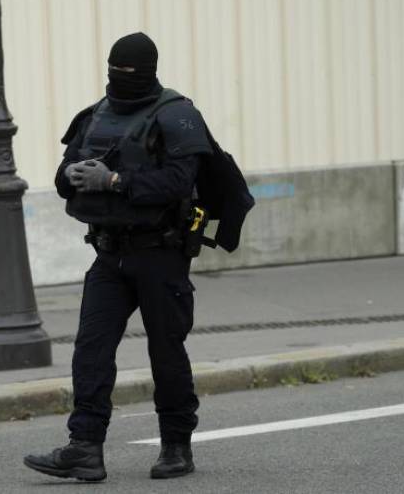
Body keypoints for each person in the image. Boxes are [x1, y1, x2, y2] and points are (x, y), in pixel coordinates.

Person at [24, 32, 252, 482]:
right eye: (114, 70)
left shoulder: (178, 115)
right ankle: (85, 447)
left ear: (148, 70)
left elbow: (176, 181)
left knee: (165, 350)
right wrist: (71, 175)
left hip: (160, 253)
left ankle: (176, 445)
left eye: (128, 72)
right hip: (109, 254)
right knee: (91, 349)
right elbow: (62, 176)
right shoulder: (96, 115)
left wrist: (114, 183)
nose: (120, 79)